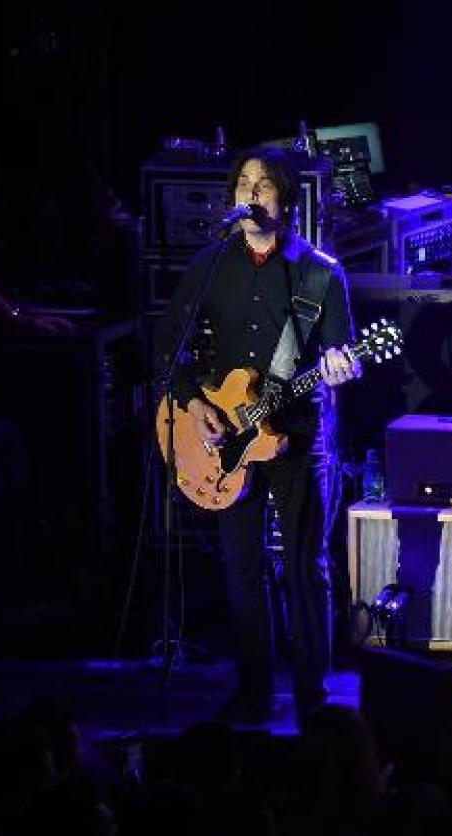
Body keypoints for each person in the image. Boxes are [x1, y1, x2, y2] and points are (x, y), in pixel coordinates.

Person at [153, 146, 361, 727]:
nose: (251, 193)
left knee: (304, 565)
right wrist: (196, 406)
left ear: (286, 200)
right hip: (226, 437)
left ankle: (313, 697)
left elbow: (342, 353)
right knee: (241, 565)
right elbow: (169, 348)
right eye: (243, 184)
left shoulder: (319, 272)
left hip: (298, 436)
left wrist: (344, 364)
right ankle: (254, 691)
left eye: (263, 185)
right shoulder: (212, 264)